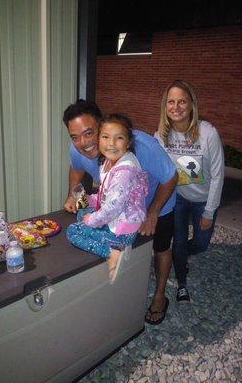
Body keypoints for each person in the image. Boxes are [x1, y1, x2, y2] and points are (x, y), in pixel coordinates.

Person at [62, 100, 177, 324]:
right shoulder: (78, 147)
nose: (83, 143)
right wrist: (72, 196)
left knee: (161, 247)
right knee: (88, 218)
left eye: (89, 133)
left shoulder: (142, 145)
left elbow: (171, 177)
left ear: (103, 125)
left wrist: (153, 212)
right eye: (74, 137)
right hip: (120, 207)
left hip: (158, 200)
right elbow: (76, 168)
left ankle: (160, 295)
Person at [155, 80, 224, 303]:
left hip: (203, 199)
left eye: (182, 101)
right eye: (171, 102)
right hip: (178, 199)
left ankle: (182, 254)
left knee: (202, 244)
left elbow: (217, 175)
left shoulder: (208, 133)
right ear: (165, 107)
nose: (176, 107)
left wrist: (209, 212)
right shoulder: (161, 136)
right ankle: (181, 280)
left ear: (191, 104)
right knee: (180, 241)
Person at [66, 114, 148, 283]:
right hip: (118, 217)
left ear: (128, 142)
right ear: (99, 139)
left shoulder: (125, 171)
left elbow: (113, 208)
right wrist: (91, 200)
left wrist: (93, 220)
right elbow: (109, 195)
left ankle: (112, 252)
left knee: (73, 231)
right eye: (105, 137)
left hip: (121, 231)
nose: (111, 144)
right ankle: (104, 235)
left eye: (119, 138)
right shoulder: (110, 161)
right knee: (82, 213)